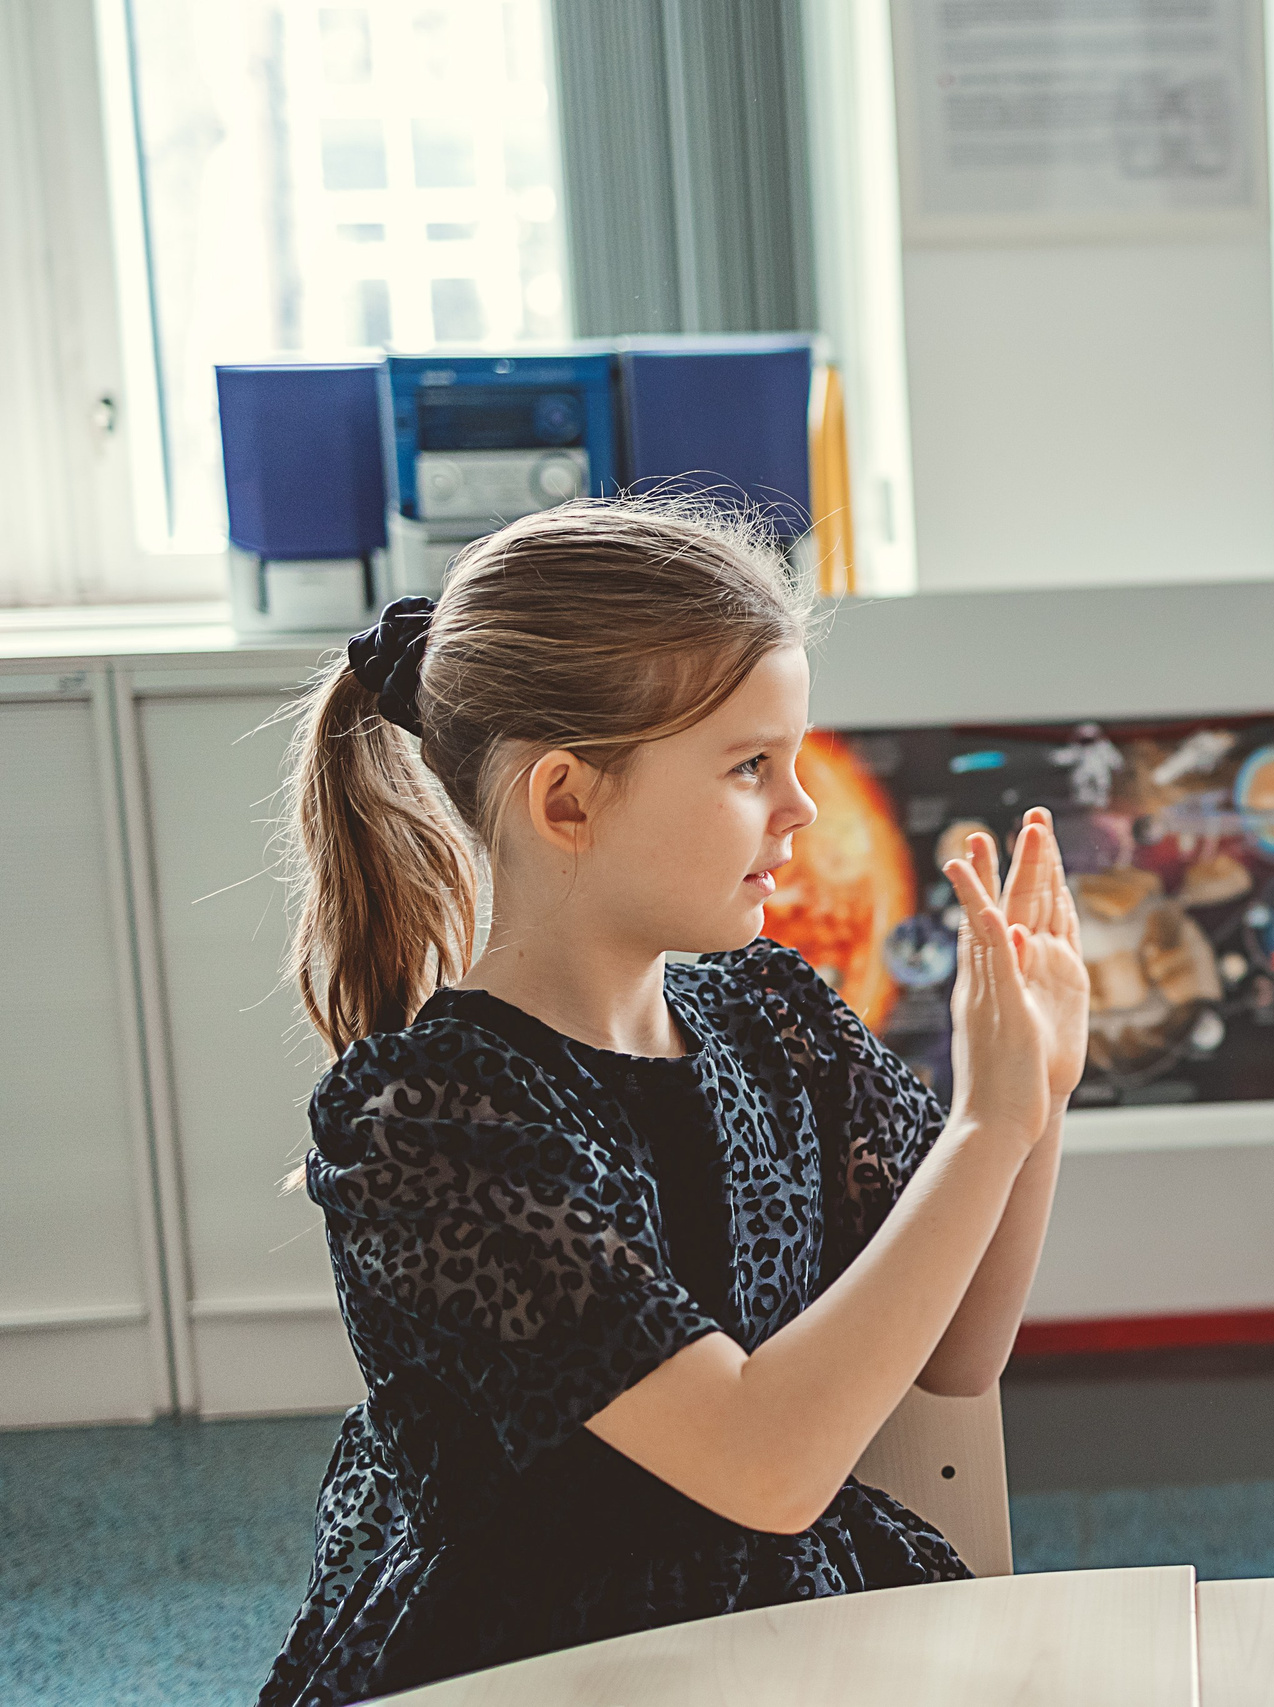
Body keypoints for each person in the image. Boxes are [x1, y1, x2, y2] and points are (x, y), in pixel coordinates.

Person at [260, 501, 1086, 1707]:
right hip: (544, 1668)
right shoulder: (429, 1124)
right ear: (567, 804)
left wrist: (1039, 1093)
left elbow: (959, 1353)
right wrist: (989, 1126)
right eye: (751, 767)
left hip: (779, 1635)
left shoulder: (771, 1014)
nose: (799, 810)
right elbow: (763, 1466)